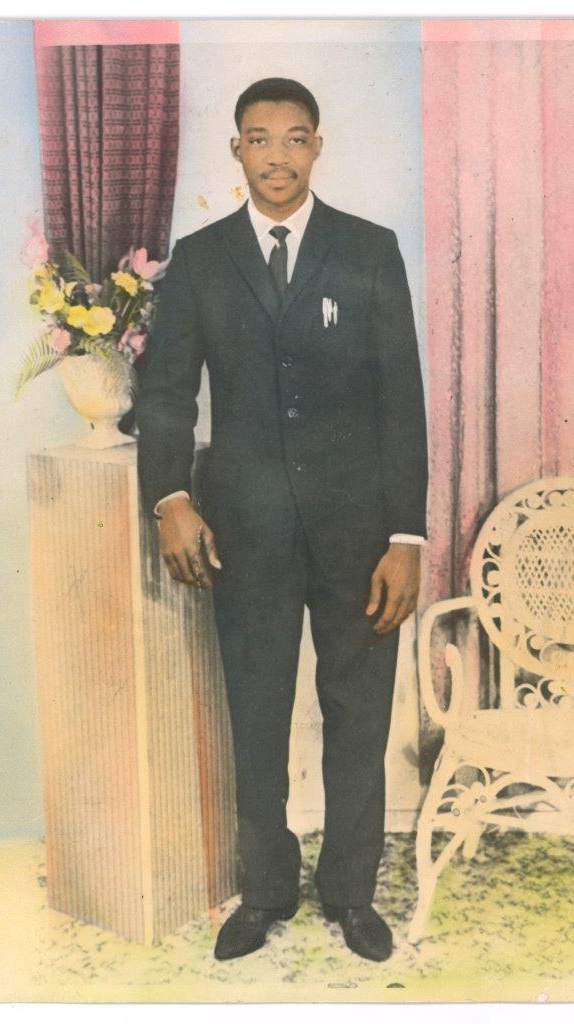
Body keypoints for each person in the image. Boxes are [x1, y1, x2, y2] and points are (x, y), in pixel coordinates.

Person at [135, 77, 428, 963]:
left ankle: (351, 894)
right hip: (246, 534)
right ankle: (263, 893)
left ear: (316, 147)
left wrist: (406, 538)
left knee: (359, 718)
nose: (276, 156)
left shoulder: (369, 251)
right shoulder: (200, 257)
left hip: (359, 537)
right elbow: (165, 392)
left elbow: (401, 404)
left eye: (294, 138)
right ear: (236, 151)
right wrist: (171, 496)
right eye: (258, 139)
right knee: (255, 717)